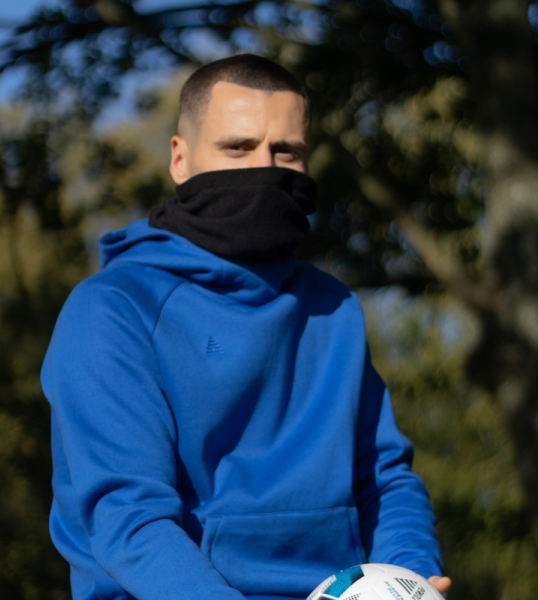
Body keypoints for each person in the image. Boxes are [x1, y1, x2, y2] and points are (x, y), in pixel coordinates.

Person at [41, 54, 451, 600]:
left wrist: (411, 579)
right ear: (180, 159)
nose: (265, 169)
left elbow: (384, 480)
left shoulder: (335, 309)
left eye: (287, 152)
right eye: (238, 147)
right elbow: (129, 521)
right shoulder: (113, 310)